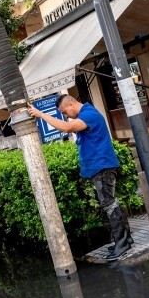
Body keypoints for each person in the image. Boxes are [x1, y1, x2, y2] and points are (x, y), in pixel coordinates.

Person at [28, 95, 132, 261]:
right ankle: (126, 240)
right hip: (101, 165)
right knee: (112, 203)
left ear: (71, 104)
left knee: (109, 204)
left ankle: (122, 244)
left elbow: (67, 128)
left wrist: (41, 114)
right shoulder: (87, 113)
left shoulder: (89, 114)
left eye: (65, 112)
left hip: (102, 166)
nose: (66, 116)